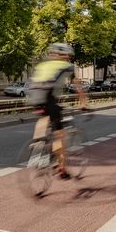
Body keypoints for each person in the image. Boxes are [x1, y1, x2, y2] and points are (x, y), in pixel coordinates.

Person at [28, 43, 87, 179]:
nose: (69, 59)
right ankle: (62, 168)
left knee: (44, 117)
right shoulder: (68, 67)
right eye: (68, 56)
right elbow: (78, 88)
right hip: (49, 96)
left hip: (34, 96)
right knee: (59, 135)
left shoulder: (42, 65)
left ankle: (37, 143)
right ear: (65, 55)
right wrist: (83, 103)